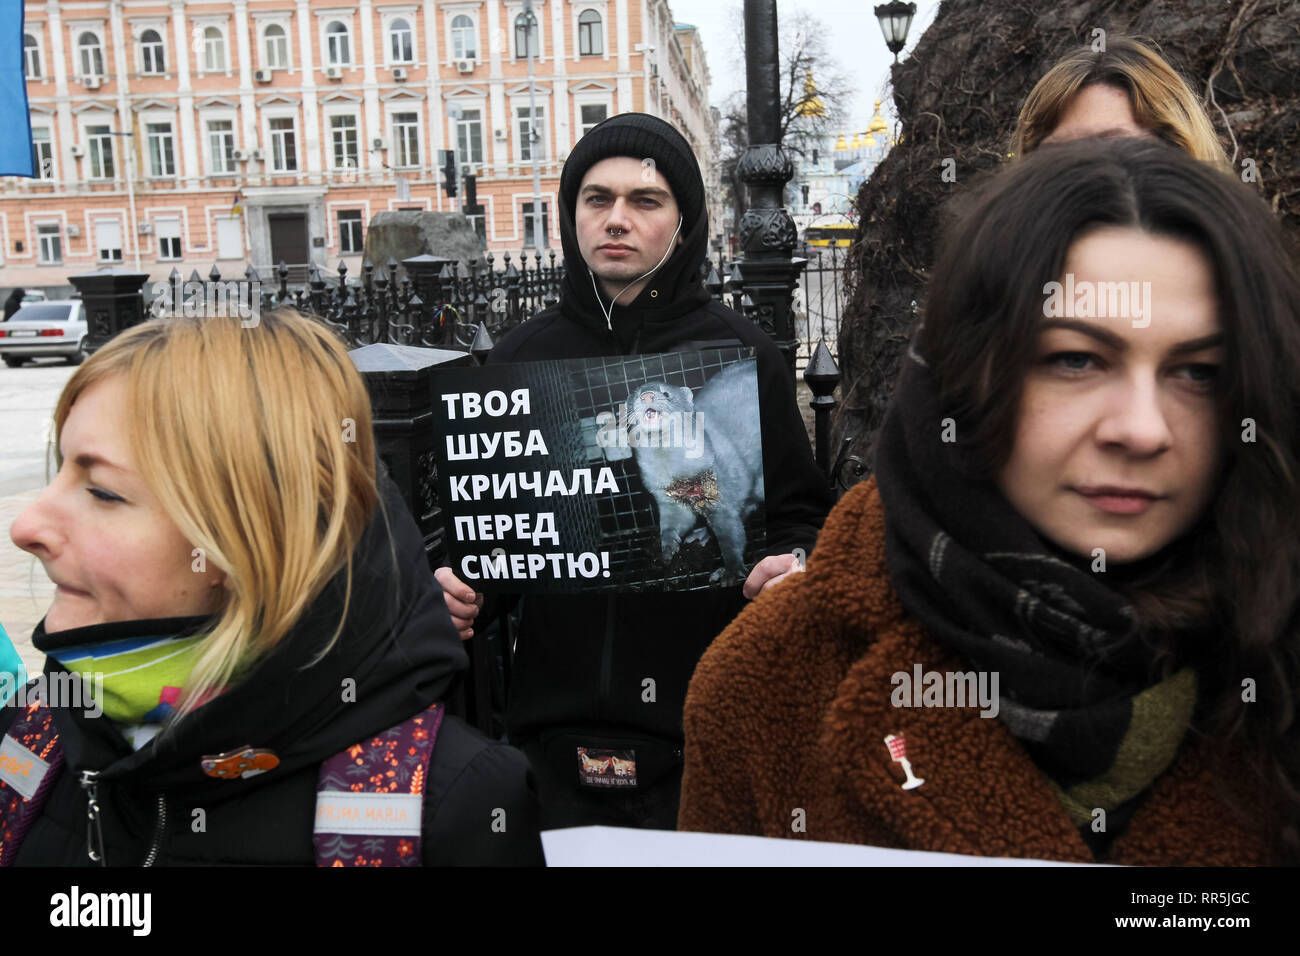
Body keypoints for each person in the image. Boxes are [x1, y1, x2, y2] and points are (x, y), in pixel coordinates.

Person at [678, 137, 1300, 865]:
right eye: (1076, 359)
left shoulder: (1272, 654)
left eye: (1197, 372)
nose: (1141, 428)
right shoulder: (764, 684)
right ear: (968, 376)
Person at [2, 308, 544, 866]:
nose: (27, 527)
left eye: (104, 492)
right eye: (61, 471)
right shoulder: (27, 739)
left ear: (251, 535)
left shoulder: (444, 806)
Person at [436, 112, 832, 830]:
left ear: (684, 222)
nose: (617, 218)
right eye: (597, 198)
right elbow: (493, 527)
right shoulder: (520, 359)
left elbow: (800, 514)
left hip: (704, 730)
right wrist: (463, 592)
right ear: (572, 214)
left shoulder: (741, 355)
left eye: (645, 201)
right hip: (547, 731)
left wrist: (793, 563)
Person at [1011, 35, 1229, 168]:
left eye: (1114, 146)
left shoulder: (1236, 241)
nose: (1079, 168)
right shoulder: (1003, 242)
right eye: (1057, 154)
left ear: (1180, 151)